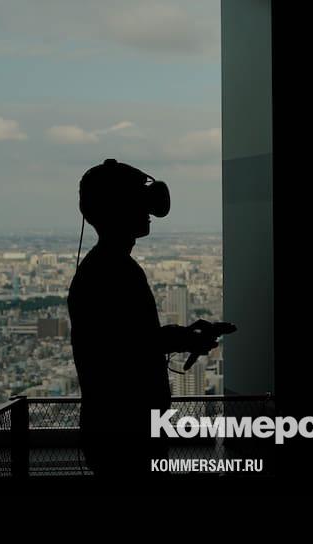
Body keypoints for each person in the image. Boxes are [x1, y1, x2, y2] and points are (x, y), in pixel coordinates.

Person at [67, 158, 228, 478]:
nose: (147, 208)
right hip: (125, 434)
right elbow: (125, 347)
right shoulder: (112, 271)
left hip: (118, 429)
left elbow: (129, 341)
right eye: (137, 199)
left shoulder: (105, 267)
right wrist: (182, 338)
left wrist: (181, 337)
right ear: (118, 208)